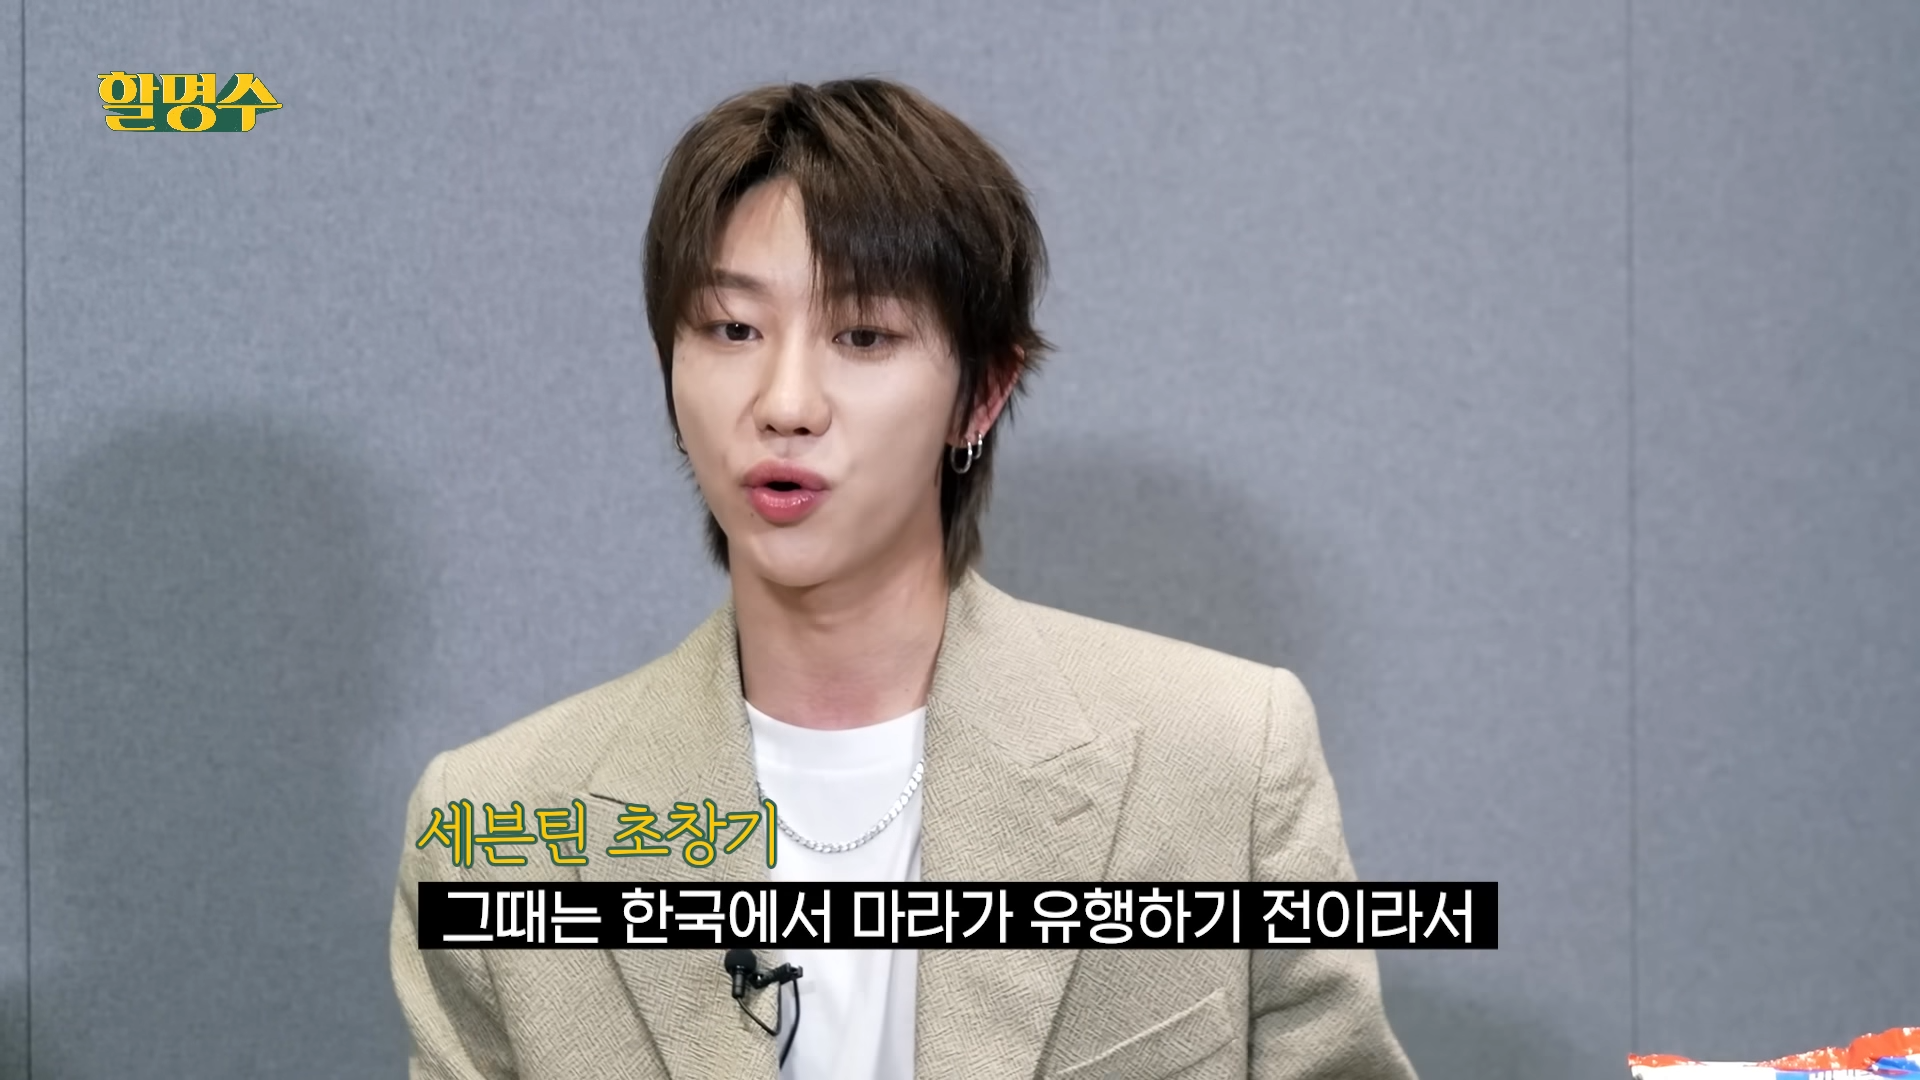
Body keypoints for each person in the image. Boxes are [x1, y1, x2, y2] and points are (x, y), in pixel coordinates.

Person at [389, 76, 1416, 1080]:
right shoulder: (493, 826)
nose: (786, 403)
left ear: (983, 392)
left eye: (864, 336)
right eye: (732, 329)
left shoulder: (1224, 760)